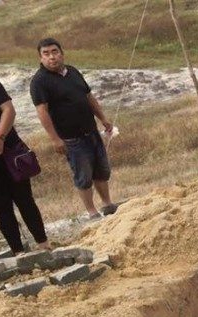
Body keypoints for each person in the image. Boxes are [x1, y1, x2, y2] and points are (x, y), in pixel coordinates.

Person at [30, 38, 117, 219]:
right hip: (70, 138)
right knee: (83, 175)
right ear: (40, 58)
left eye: (55, 52)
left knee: (102, 169)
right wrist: (55, 139)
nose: (52, 57)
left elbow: (88, 97)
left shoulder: (73, 72)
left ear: (62, 53)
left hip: (91, 130)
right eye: (46, 54)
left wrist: (103, 119)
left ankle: (108, 204)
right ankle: (92, 212)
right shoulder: (39, 81)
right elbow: (42, 112)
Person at [0, 67, 50, 255]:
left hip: (6, 148)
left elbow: (8, 109)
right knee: (0, 205)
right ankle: (18, 252)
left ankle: (43, 244)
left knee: (24, 198)